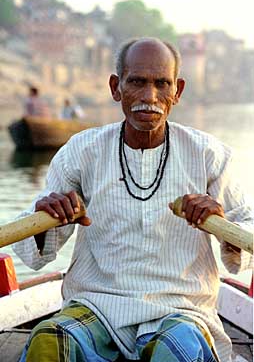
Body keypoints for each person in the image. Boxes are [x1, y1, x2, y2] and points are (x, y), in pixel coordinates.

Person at [13, 37, 253, 362]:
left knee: (175, 350)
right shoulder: (80, 152)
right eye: (137, 82)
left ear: (177, 91)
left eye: (161, 84)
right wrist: (46, 217)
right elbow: (33, 254)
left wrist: (222, 223)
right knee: (48, 342)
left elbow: (247, 235)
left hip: (179, 309)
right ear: (116, 87)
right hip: (97, 306)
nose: (149, 97)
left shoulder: (210, 155)